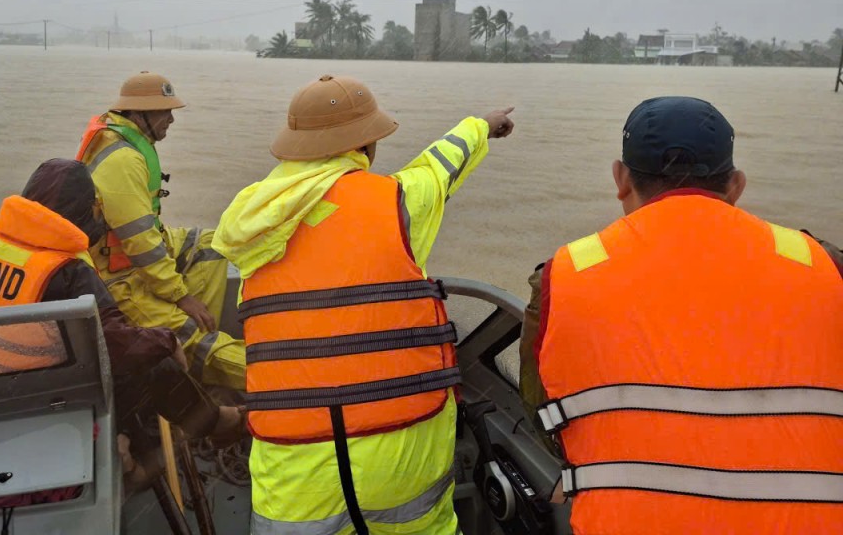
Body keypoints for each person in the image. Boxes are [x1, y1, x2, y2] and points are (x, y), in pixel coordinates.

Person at [519, 96, 843, 535]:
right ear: (737, 186)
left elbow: (544, 410)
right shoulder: (824, 264)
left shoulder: (564, 277)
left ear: (620, 179)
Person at [213, 74, 516, 535]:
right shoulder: (398, 202)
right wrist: (482, 125)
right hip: (401, 453)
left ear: (294, 150)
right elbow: (441, 164)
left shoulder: (251, 227)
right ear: (367, 145)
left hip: (294, 471)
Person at [0, 158, 245, 488]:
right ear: (81, 211)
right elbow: (115, 344)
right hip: (53, 395)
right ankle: (218, 423)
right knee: (158, 366)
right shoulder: (69, 271)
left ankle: (126, 449)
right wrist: (167, 340)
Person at [76, 71, 245, 390]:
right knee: (195, 341)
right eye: (163, 111)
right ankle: (216, 356)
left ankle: (199, 342)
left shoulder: (120, 140)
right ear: (138, 114)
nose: (171, 119)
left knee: (213, 244)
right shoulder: (122, 160)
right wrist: (181, 297)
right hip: (118, 278)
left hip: (131, 258)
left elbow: (145, 235)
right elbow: (140, 245)